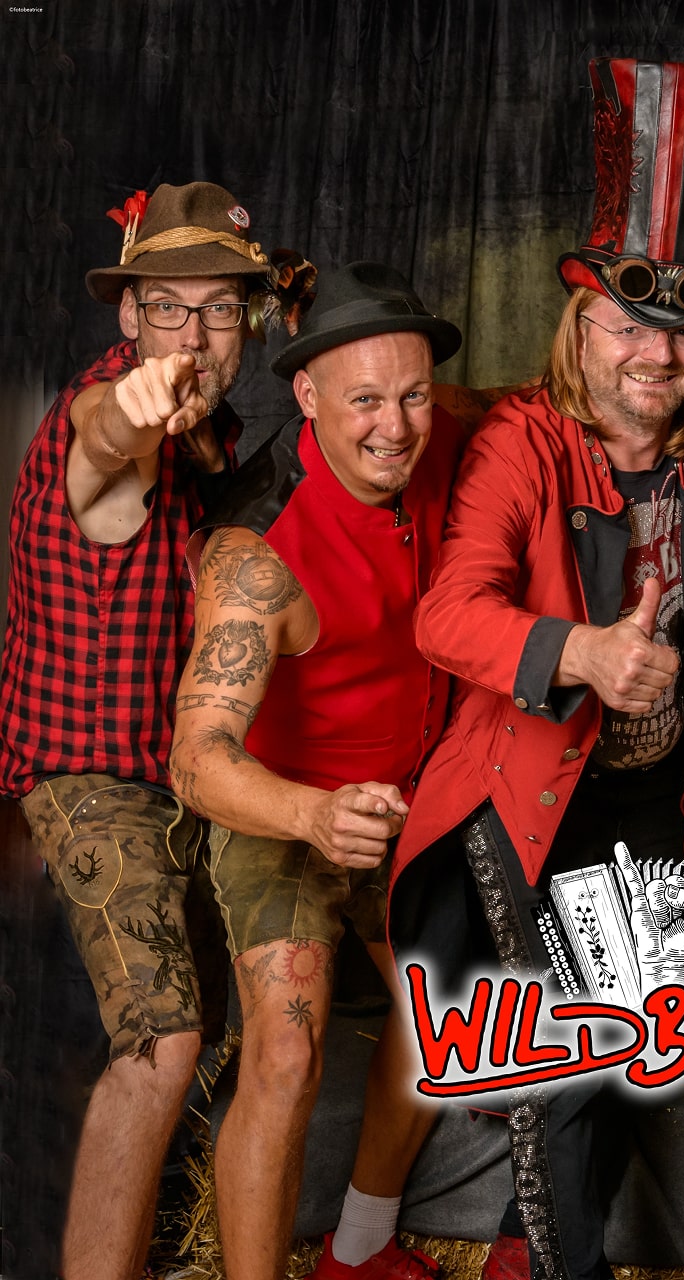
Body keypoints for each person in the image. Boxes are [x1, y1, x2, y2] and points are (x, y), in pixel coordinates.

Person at [387, 56, 684, 1280]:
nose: (655, 353)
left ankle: (514, 1254)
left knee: (635, 1039)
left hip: (658, 798)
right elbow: (447, 615)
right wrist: (582, 650)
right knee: (581, 1039)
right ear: (578, 331)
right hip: (528, 786)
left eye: (678, 330)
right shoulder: (523, 443)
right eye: (626, 327)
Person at [0, 180, 286, 1280]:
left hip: (183, 777)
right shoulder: (108, 411)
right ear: (129, 314)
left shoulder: (214, 438)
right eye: (169, 308)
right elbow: (102, 446)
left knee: (212, 1028)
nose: (194, 337)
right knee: (162, 1041)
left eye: (218, 310)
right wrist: (135, 405)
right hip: (91, 778)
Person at [169, 261, 464, 1280]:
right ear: (306, 394)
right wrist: (312, 813)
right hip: (281, 807)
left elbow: (527, 400)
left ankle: (360, 1248)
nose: (396, 426)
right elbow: (196, 758)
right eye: (366, 401)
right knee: (287, 1051)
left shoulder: (435, 431)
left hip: (405, 801)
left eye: (415, 394)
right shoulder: (256, 552)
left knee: (447, 1027)